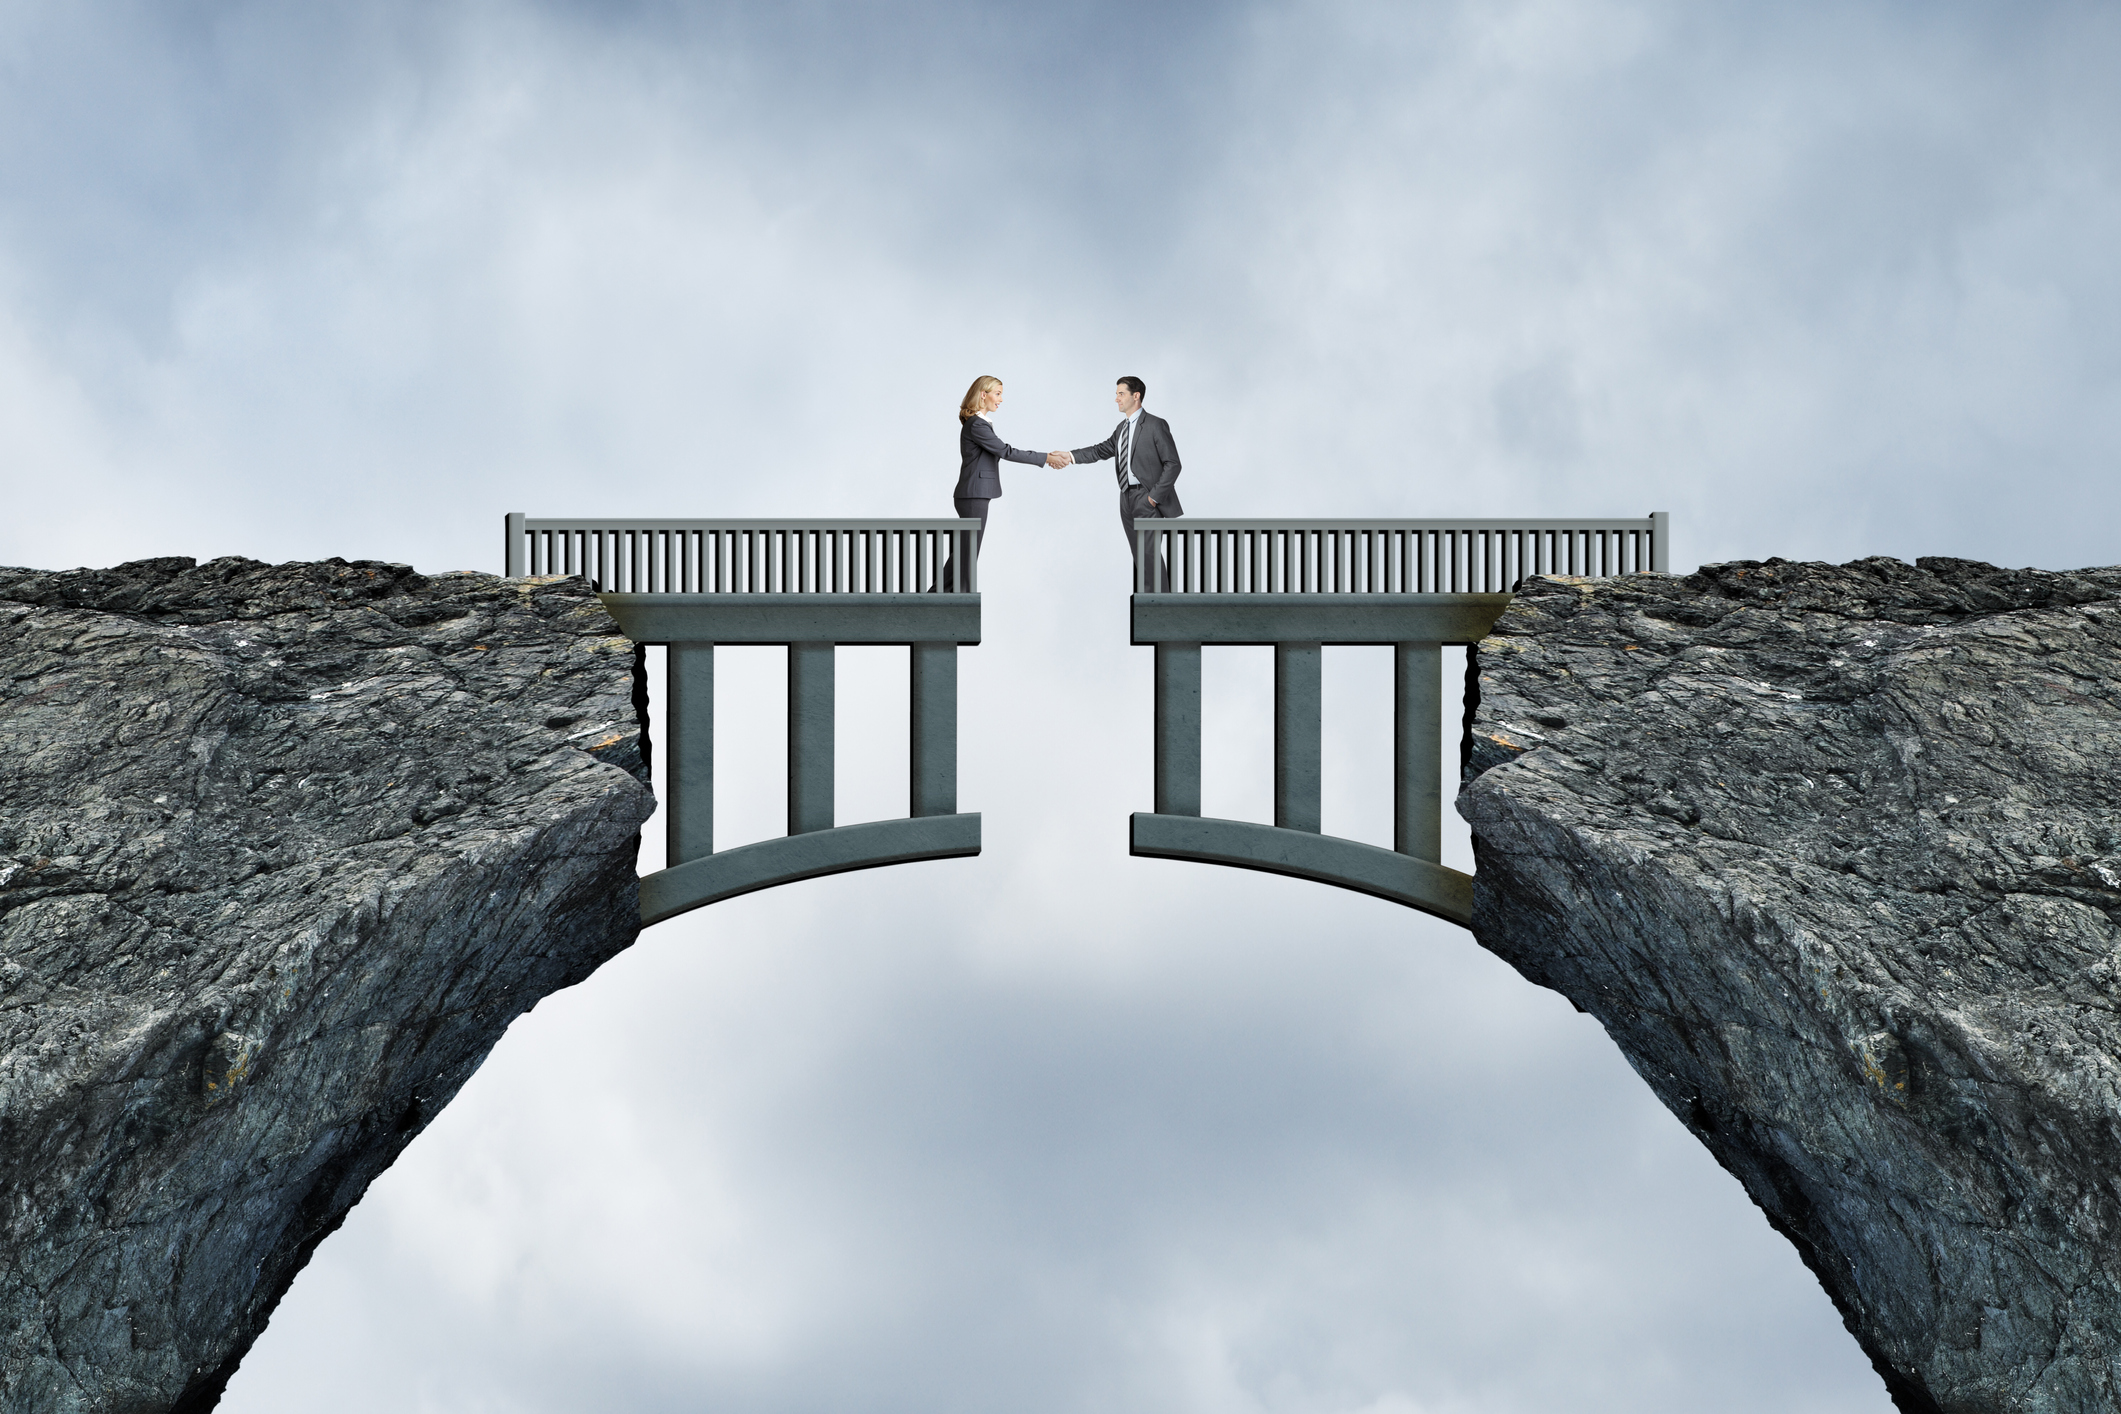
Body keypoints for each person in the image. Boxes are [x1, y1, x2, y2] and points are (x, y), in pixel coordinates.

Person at [1048, 375, 1182, 585]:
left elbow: (1173, 464)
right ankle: (1150, 600)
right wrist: (1070, 456)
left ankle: (1162, 602)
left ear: (1136, 396)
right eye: (1116, 394)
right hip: (1126, 498)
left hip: (1147, 498)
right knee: (1140, 557)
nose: (1116, 399)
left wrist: (1154, 497)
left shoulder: (1155, 425)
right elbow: (1100, 450)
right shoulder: (1121, 429)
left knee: (1149, 556)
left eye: (1121, 394)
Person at [946, 375, 1057, 589]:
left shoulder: (979, 423)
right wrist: (1046, 458)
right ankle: (961, 597)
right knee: (968, 552)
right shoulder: (977, 425)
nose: (1001, 399)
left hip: (974, 494)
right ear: (983, 394)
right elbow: (1006, 451)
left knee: (965, 551)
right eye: (997, 394)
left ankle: (938, 595)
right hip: (973, 494)